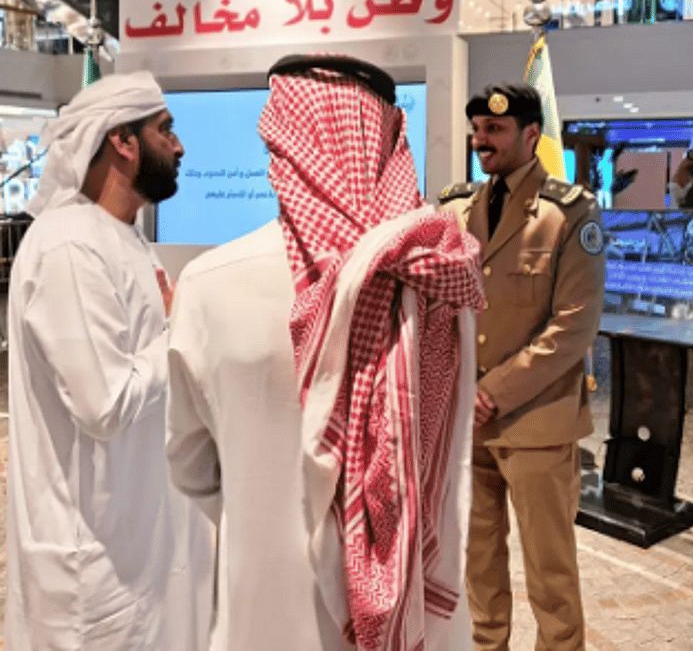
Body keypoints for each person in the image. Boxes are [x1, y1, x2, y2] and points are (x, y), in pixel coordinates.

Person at [167, 54, 483, 651]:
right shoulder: (437, 275)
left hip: (267, 607)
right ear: (391, 139)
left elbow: (189, 467)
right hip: (419, 616)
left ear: (280, 143)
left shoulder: (208, 284)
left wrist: (266, 511)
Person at [5, 72, 212, 650]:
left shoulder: (120, 236)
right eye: (165, 130)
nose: (179, 146)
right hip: (91, 554)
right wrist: (183, 328)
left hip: (137, 532)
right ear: (122, 141)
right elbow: (104, 404)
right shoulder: (70, 245)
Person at [440, 84, 605, 651]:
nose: (480, 141)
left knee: (550, 574)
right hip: (469, 425)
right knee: (478, 567)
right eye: (477, 130)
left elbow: (574, 326)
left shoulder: (569, 214)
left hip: (538, 420)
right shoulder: (455, 210)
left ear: (532, 134)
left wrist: (492, 390)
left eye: (495, 130)